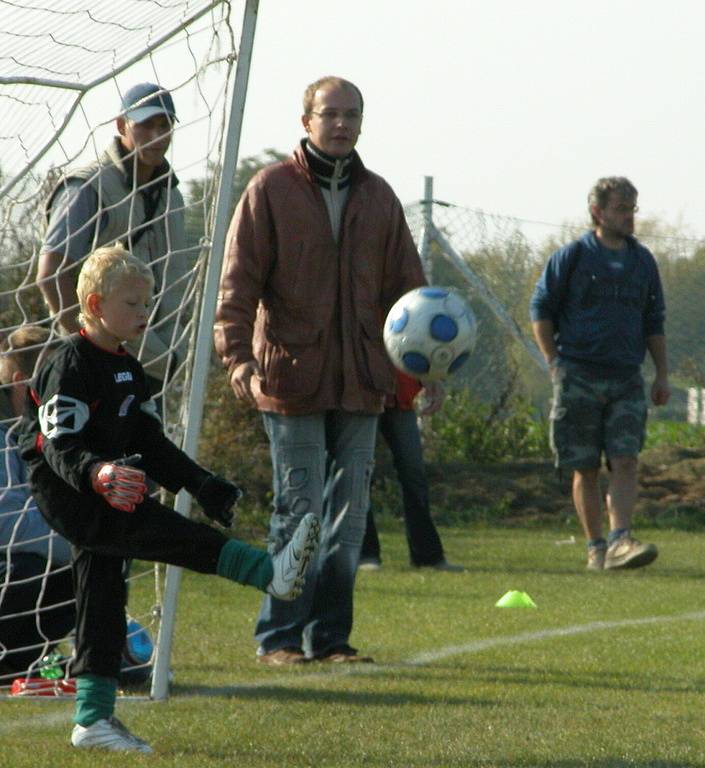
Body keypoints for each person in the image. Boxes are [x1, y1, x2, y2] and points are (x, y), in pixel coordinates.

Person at [18, 245, 320, 753]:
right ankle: (270, 574)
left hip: (106, 490)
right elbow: (59, 446)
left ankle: (92, 721)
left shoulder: (130, 370)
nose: (144, 313)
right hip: (72, 492)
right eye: (132, 304)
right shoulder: (68, 363)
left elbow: (152, 445)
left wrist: (201, 484)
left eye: (147, 302)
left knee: (104, 600)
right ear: (94, 304)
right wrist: (98, 473)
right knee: (171, 535)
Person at [214, 75, 435, 666]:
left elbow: (409, 295)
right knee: (301, 510)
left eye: (352, 115)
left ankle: (332, 639)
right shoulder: (269, 191)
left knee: (350, 519)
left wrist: (425, 368)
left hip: (364, 382)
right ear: (306, 121)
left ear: (362, 123)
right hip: (290, 380)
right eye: (330, 114)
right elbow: (236, 285)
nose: (341, 124)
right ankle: (279, 638)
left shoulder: (381, 198)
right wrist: (237, 357)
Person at [530, 176, 670, 571]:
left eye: (632, 209)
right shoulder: (572, 257)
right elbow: (540, 309)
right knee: (585, 466)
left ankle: (621, 539)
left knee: (626, 460)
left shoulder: (642, 261)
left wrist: (661, 373)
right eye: (621, 209)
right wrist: (554, 362)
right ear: (598, 212)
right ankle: (596, 549)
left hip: (626, 377)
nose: (629, 218)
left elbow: (654, 320)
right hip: (578, 376)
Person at [38, 82, 190, 387]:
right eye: (145, 125)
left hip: (155, 360)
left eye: (164, 125)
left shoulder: (172, 195)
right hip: (100, 365)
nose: (156, 136)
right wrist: (86, 349)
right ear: (121, 125)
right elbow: (52, 273)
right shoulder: (88, 187)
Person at [0, 326, 74, 678]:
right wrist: (79, 539)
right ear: (19, 382)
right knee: (26, 569)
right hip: (12, 567)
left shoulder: (57, 432)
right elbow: (8, 523)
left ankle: (23, 661)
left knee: (103, 566)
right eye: (53, 377)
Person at [358, 370, 464, 572]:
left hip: (401, 394)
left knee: (414, 472)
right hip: (364, 391)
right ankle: (365, 554)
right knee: (361, 474)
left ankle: (428, 555)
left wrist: (430, 376)